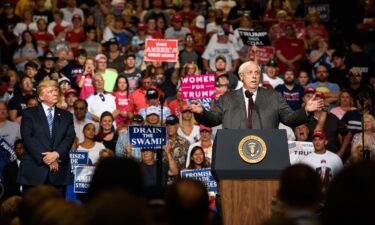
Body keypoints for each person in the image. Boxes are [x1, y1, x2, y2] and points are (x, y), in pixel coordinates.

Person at [191, 61, 324, 129]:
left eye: (257, 73)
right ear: (241, 76)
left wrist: (305, 110)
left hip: (266, 151)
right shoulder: (227, 98)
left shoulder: (274, 97)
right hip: (234, 152)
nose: (254, 76)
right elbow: (213, 119)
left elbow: (289, 118)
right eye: (249, 73)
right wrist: (201, 112)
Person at [17, 80, 76, 194]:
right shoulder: (29, 114)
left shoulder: (67, 116)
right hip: (34, 172)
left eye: (56, 90)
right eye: (50, 91)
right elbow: (28, 138)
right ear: (40, 97)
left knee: (56, 211)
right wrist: (48, 159)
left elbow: (69, 138)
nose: (55, 93)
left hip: (58, 173)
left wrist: (56, 154)